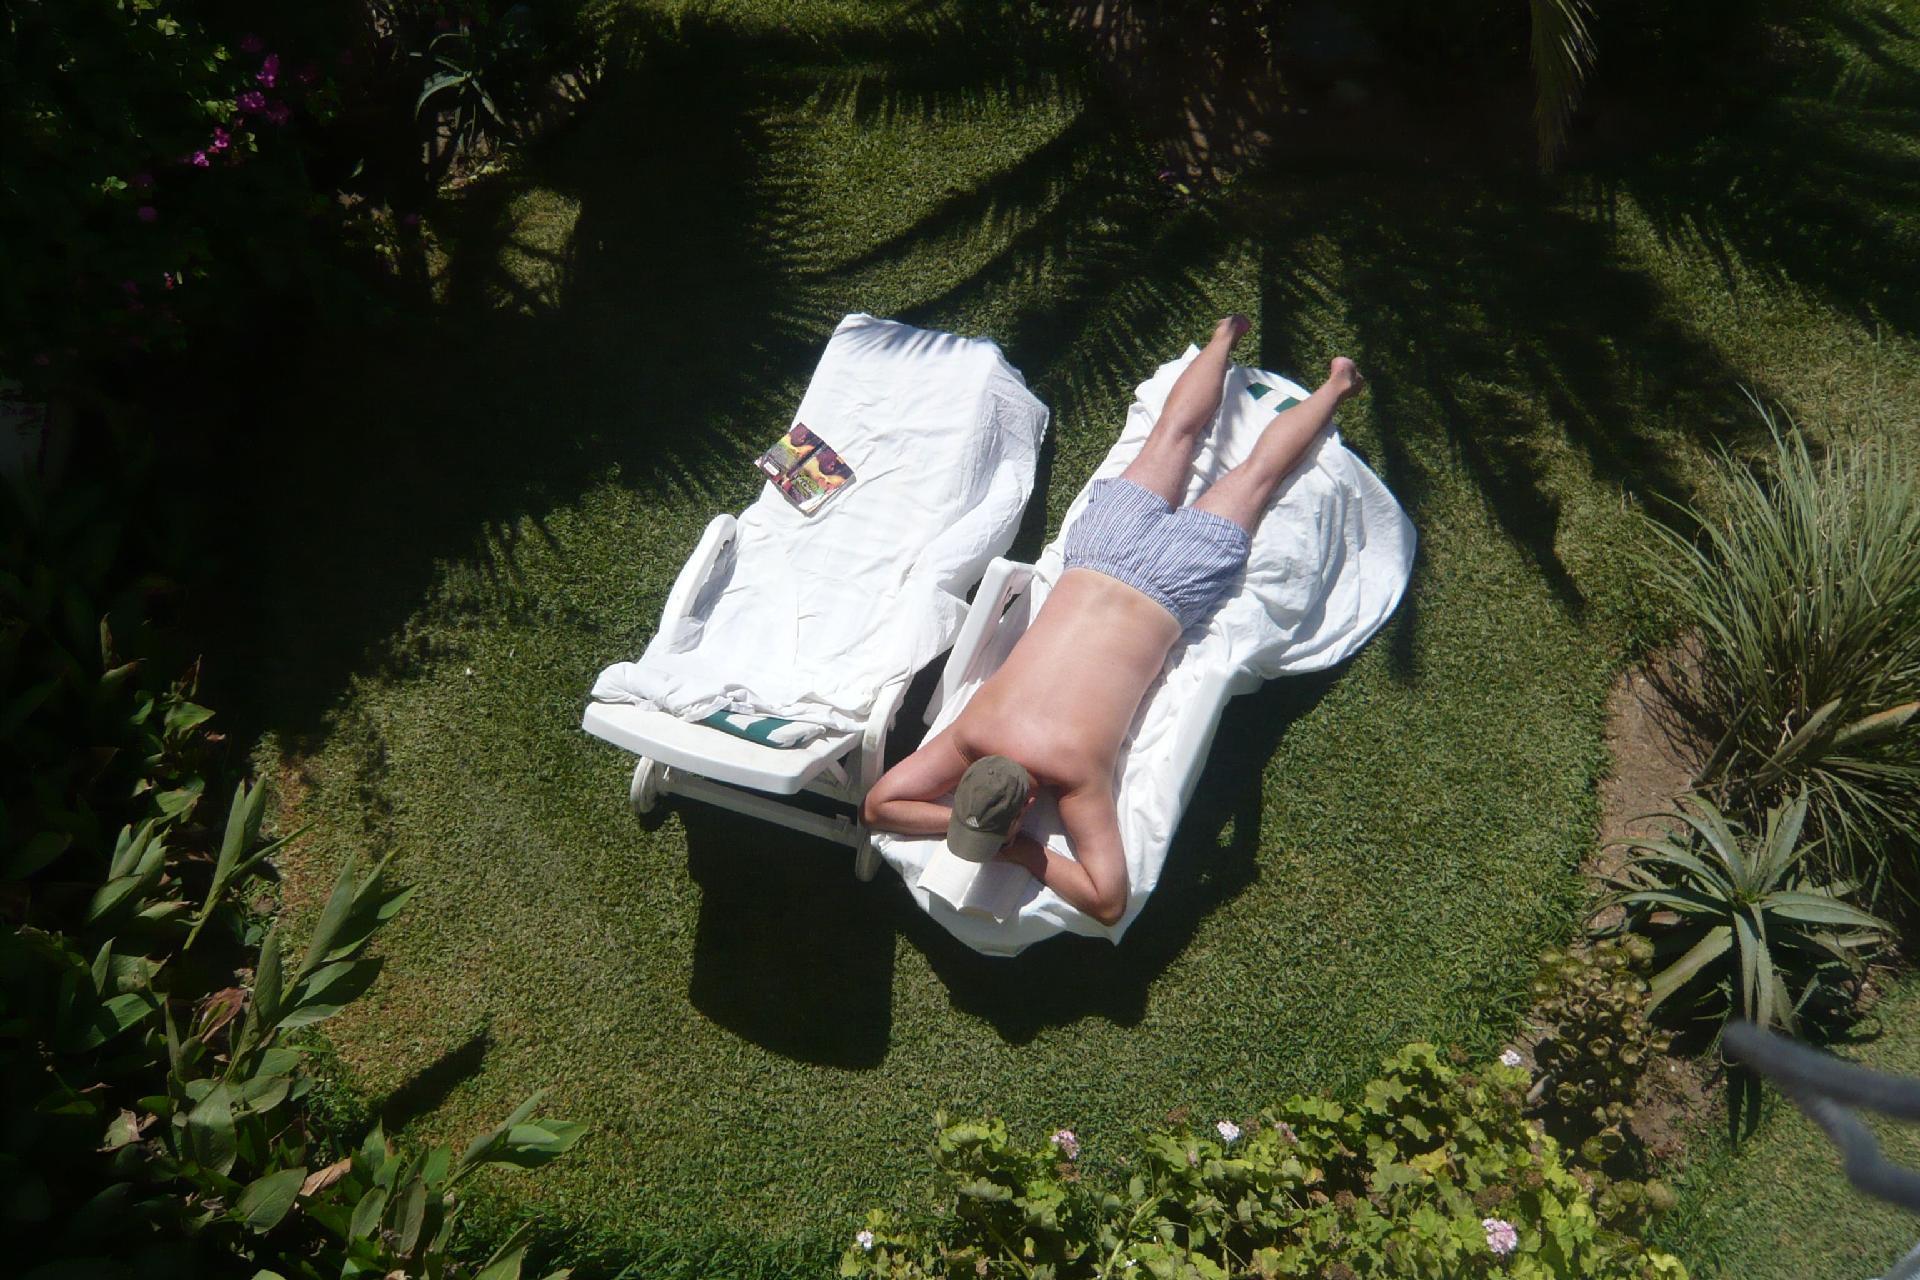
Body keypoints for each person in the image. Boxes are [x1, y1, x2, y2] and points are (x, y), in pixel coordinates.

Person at [861, 316, 1365, 925]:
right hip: (1101, 551)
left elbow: (1106, 901)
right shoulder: (971, 733)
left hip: (1172, 585)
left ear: (1026, 805)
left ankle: (1337, 385)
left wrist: (1021, 852)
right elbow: (878, 805)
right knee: (1174, 434)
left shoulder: (1074, 777)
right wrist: (983, 823)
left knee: (1258, 474)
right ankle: (1223, 339)